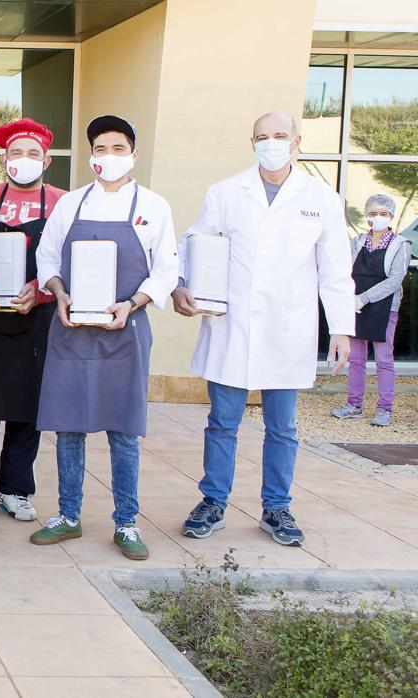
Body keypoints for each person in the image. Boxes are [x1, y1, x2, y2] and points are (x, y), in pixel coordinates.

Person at [173, 111, 354, 547]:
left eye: (279, 135)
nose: (270, 142)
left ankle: (277, 507)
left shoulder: (321, 198)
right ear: (250, 142)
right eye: (261, 136)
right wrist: (181, 285)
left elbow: (334, 268)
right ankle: (213, 501)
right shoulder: (225, 193)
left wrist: (341, 328)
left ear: (296, 141)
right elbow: (196, 243)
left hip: (287, 329)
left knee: (283, 428)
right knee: (222, 422)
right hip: (231, 324)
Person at [29, 115, 179, 561]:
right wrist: (58, 295)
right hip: (72, 330)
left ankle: (127, 522)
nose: (108, 156)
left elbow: (166, 270)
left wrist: (131, 304)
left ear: (134, 154)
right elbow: (47, 257)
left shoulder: (154, 206)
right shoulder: (70, 204)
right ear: (90, 156)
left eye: (117, 148)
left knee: (123, 431)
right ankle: (68, 516)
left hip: (125, 331)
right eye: (100, 148)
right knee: (69, 426)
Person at [0, 118, 66, 522]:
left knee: (29, 407)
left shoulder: (61, 202)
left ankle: (15, 489)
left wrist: (39, 289)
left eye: (33, 154)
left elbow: (67, 256)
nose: (24, 160)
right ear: (4, 158)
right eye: (16, 153)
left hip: (35, 319)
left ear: (47, 160)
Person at [332, 194, 411, 427]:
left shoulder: (401, 244)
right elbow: (343, 271)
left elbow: (396, 279)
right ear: (367, 216)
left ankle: (384, 409)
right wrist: (350, 300)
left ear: (391, 216)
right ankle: (353, 404)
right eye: (374, 213)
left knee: (384, 359)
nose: (379, 217)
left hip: (384, 307)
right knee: (356, 359)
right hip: (355, 305)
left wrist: (364, 298)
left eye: (384, 214)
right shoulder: (356, 242)